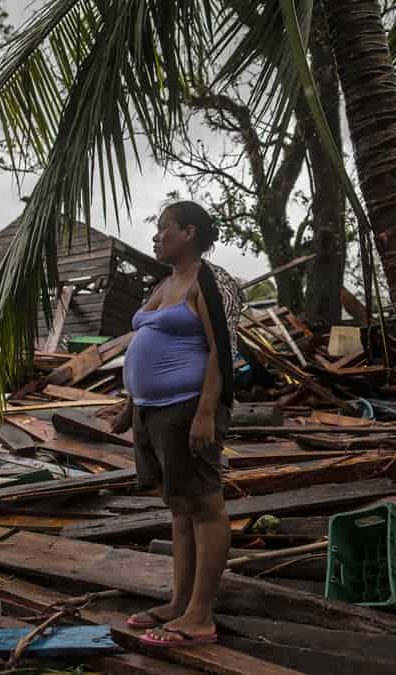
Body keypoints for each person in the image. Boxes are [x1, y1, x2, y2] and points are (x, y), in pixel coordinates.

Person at [109, 200, 241, 648]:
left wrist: (206, 413)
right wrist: (131, 405)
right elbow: (148, 341)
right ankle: (179, 603)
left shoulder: (211, 279)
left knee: (205, 507)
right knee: (180, 506)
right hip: (153, 411)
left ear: (188, 233)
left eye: (164, 227)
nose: (156, 235)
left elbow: (221, 349)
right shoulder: (164, 282)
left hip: (188, 408)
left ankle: (200, 616)